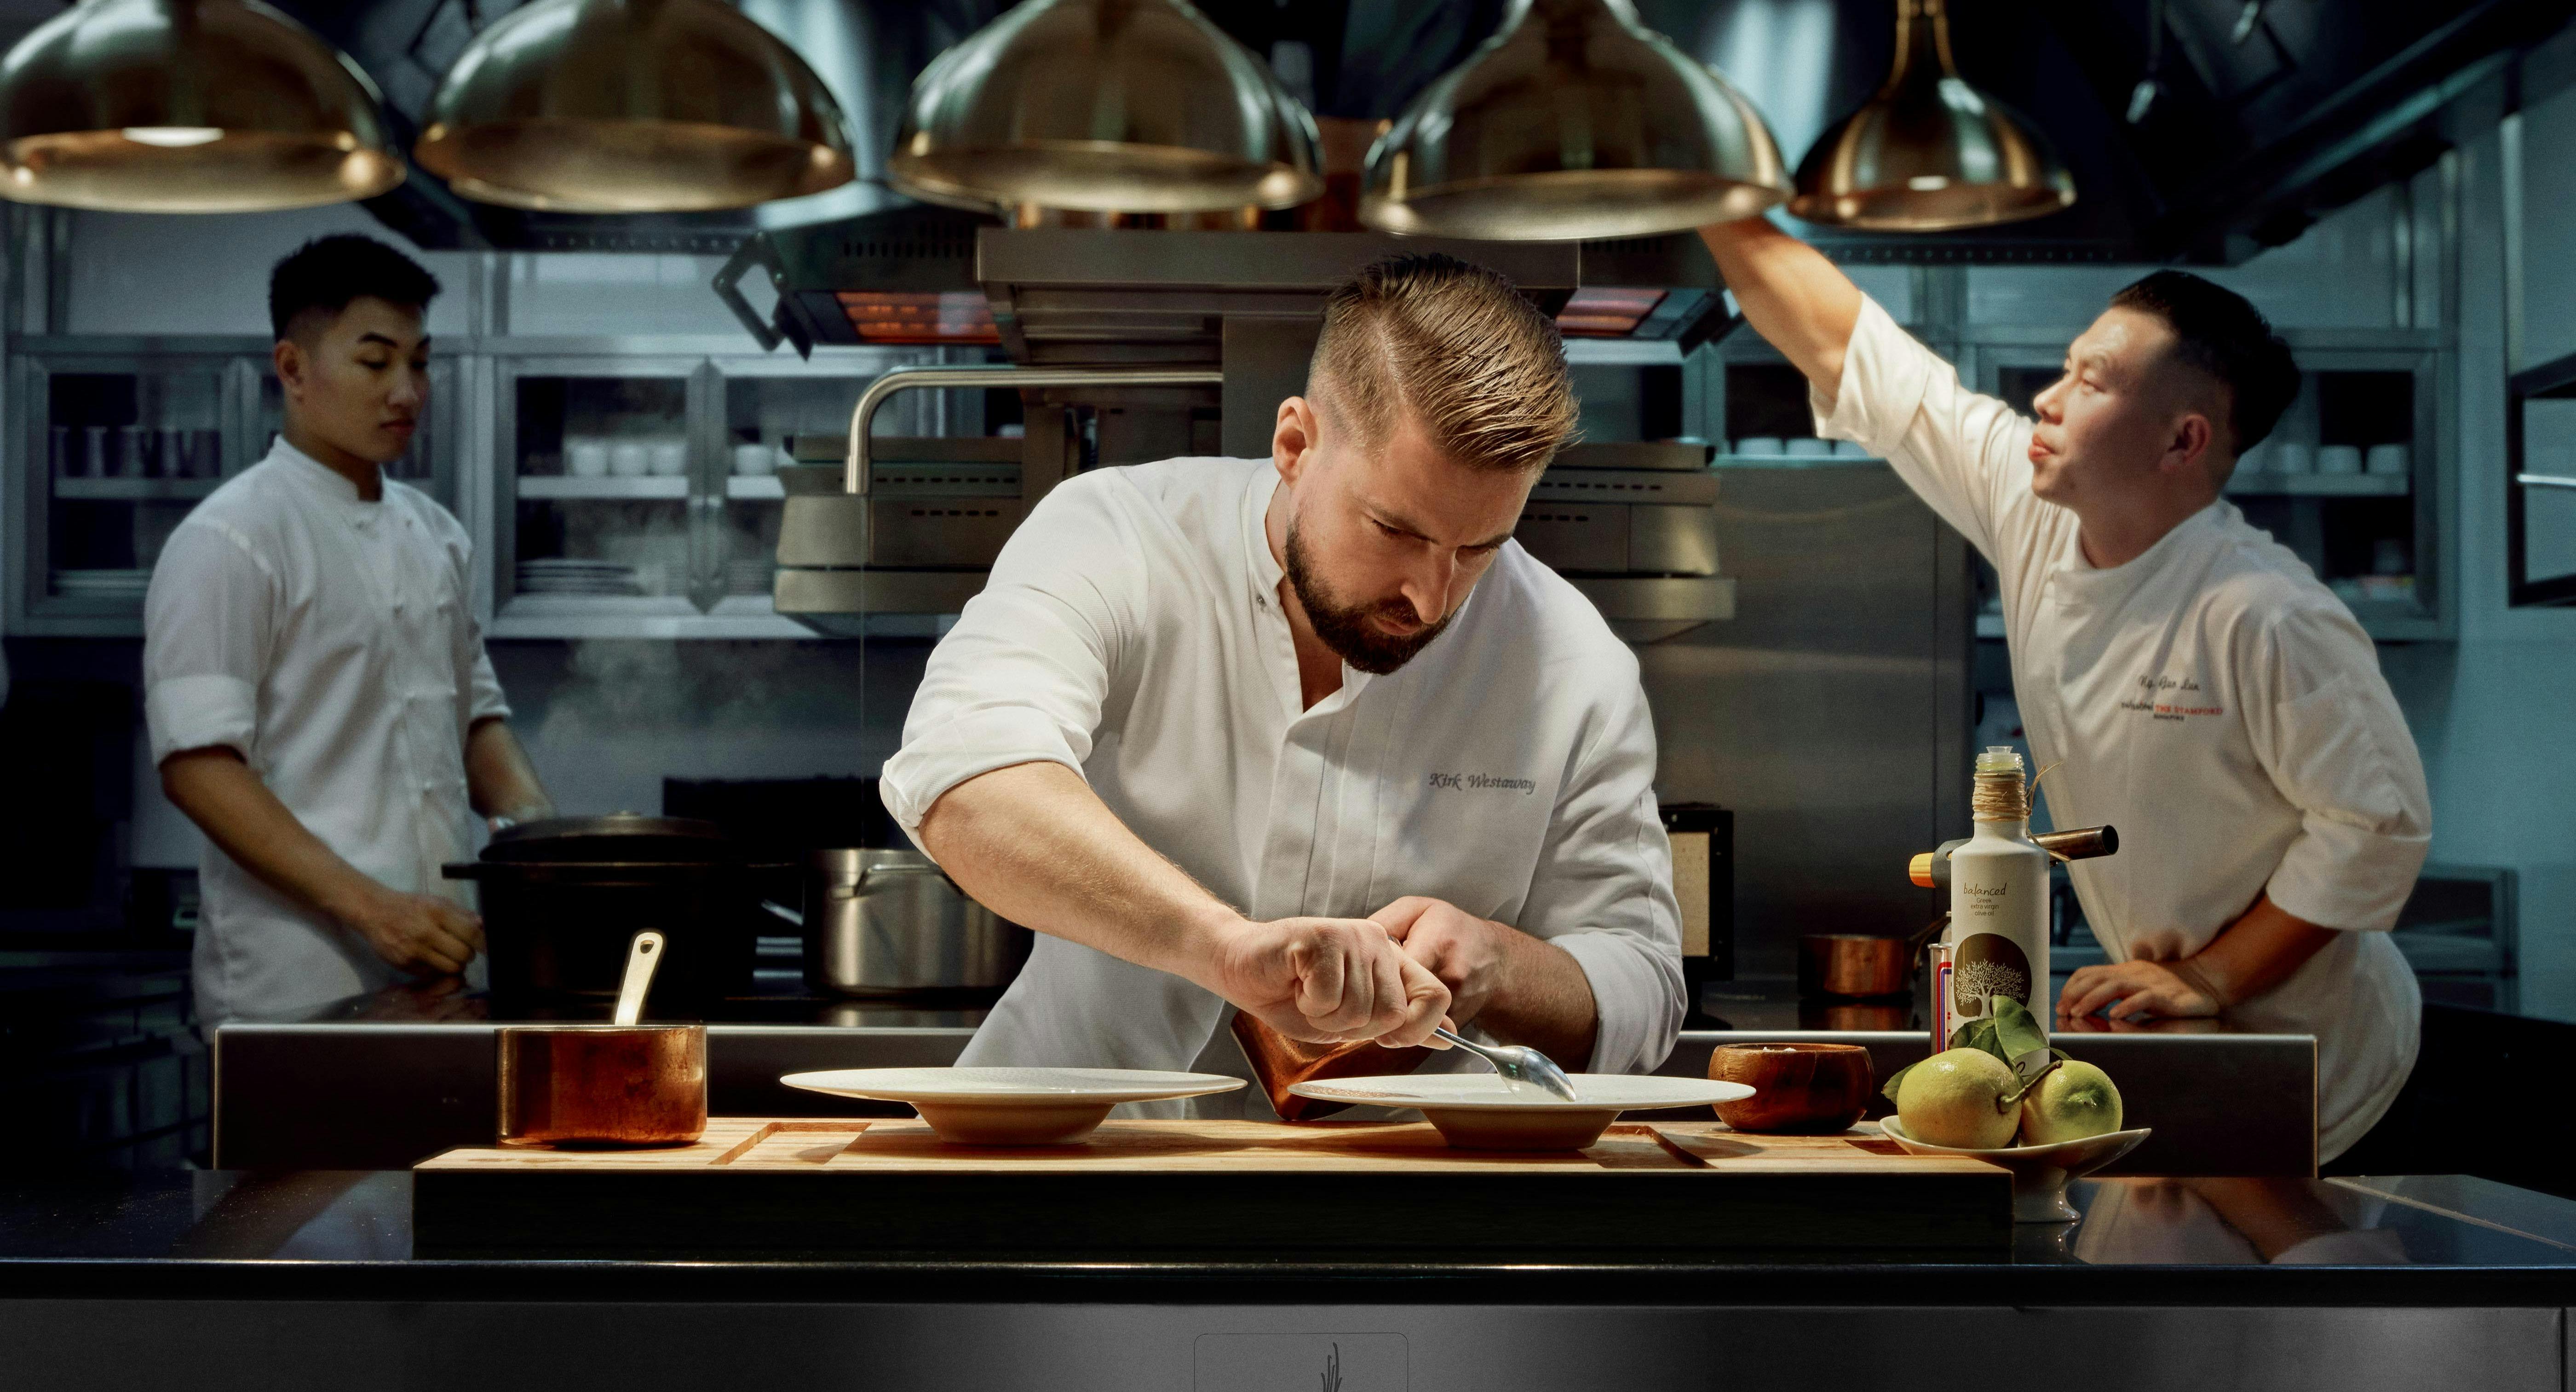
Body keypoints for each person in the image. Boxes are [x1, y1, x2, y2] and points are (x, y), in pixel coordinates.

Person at [1696, 217, 2431, 1162]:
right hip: (2176, 1054)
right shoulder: (2035, 508)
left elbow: (2378, 825)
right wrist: (1712, 196)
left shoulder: (2264, 612)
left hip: (2327, 1081)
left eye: (2090, 382)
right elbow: (1850, 348)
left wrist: (2210, 975)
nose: (2045, 399)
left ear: (2181, 439)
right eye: (2064, 367)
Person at [880, 254, 1684, 1108]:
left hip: (1407, 1195)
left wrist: (1496, 963)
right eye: (1395, 530)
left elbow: (1644, 986)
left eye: (1480, 547)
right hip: (1074, 1154)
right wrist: (1222, 947)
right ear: (1296, 444)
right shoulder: (1116, 535)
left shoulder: (1571, 661)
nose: (1432, 596)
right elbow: (967, 776)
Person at [145, 234, 552, 1027]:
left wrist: (544, 852)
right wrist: (375, 909)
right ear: (293, 369)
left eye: (421, 363)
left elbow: (475, 721)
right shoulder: (230, 539)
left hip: (439, 966)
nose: (407, 391)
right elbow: (198, 767)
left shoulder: (435, 534)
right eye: (376, 362)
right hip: (293, 984)